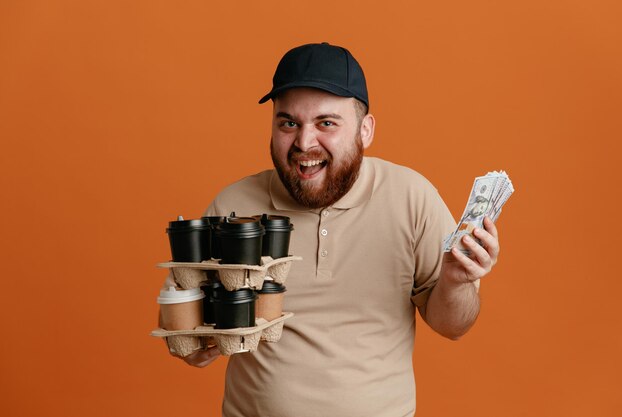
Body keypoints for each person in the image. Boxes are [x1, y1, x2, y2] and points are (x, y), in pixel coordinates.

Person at [169, 42, 501, 417]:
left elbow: (452, 326)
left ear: (365, 130)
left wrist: (456, 282)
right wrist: (194, 345)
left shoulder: (412, 198)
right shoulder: (234, 208)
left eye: (326, 123)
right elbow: (190, 326)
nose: (304, 142)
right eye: (288, 123)